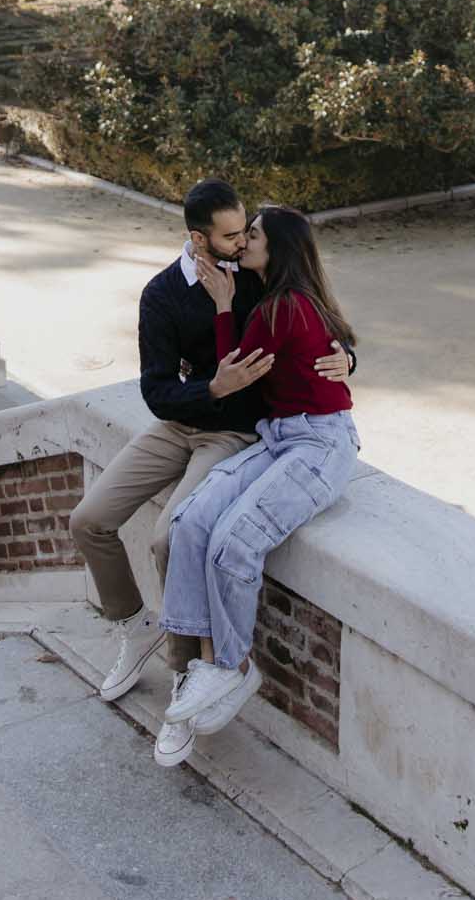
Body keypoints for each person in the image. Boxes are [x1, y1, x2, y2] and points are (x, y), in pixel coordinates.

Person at [67, 179, 353, 761]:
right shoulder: (162, 294)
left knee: (172, 535)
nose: (241, 242)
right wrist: (210, 389)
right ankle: (135, 628)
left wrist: (347, 357)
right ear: (198, 239)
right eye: (230, 235)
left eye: (247, 231)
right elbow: (156, 391)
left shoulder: (254, 277)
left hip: (235, 434)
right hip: (180, 424)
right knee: (88, 520)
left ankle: (184, 673)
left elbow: (316, 316)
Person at [154, 205, 360, 756]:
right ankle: (204, 665)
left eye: (254, 235)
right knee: (189, 521)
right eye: (242, 233)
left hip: (319, 444)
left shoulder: (282, 306)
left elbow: (235, 374)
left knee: (233, 541)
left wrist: (224, 307)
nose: (244, 241)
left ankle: (234, 665)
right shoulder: (282, 297)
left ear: (278, 249)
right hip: (279, 437)